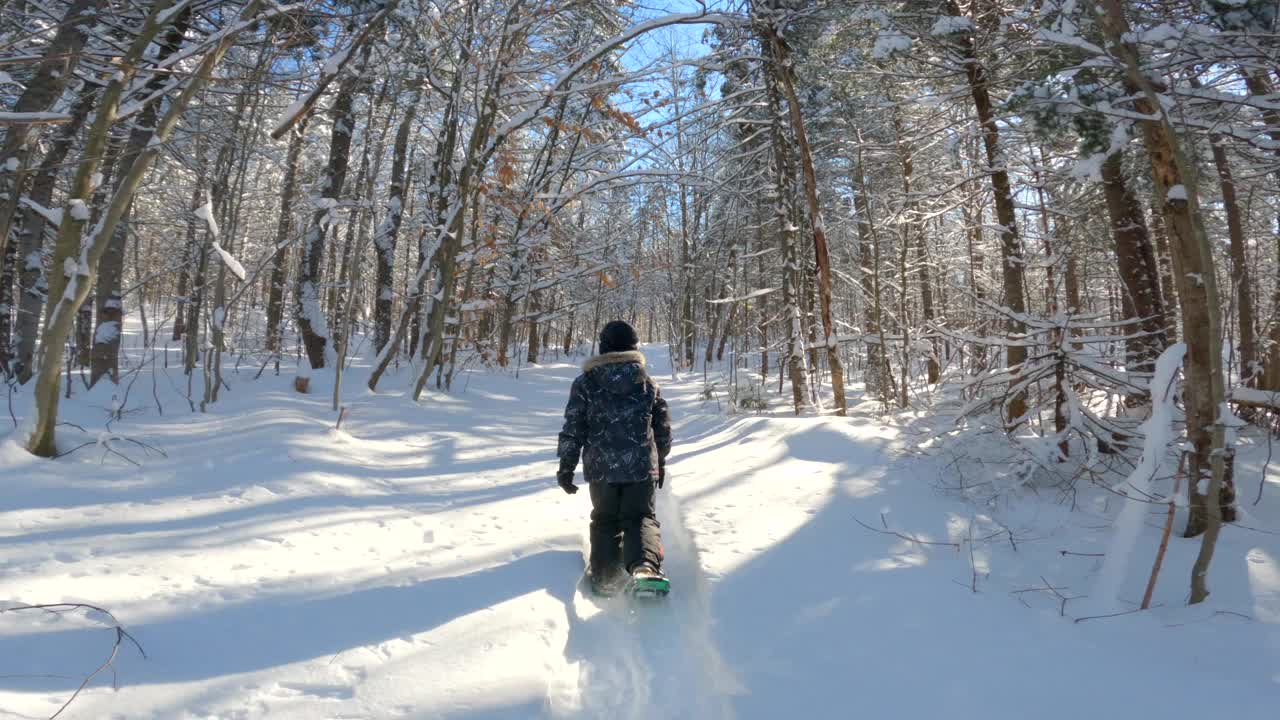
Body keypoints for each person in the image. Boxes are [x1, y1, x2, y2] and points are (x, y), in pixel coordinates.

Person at [556, 320, 672, 596]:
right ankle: (644, 567)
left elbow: (574, 427)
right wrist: (661, 461)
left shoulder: (585, 383)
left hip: (601, 468)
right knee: (640, 517)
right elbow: (662, 428)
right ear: (634, 347)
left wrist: (566, 467)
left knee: (606, 519)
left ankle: (606, 576)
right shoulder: (647, 383)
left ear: (603, 347)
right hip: (641, 466)